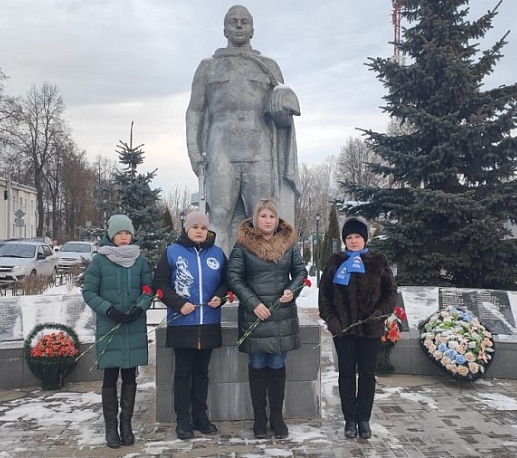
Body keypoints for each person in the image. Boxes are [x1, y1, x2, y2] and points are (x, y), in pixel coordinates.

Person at [186, 4, 301, 254]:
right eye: (233, 21)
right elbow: (195, 111)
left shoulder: (268, 66)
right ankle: (219, 282)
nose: (239, 25)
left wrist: (284, 110)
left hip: (260, 151)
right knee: (220, 217)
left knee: (262, 219)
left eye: (244, 22)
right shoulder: (209, 66)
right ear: (224, 29)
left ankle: (261, 281)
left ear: (252, 30)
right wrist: (194, 152)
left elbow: (282, 118)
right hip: (221, 148)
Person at [227, 198, 308, 439]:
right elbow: (234, 278)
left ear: (277, 219)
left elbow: (300, 272)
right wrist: (253, 304)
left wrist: (292, 290)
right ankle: (259, 419)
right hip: (256, 317)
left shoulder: (289, 244)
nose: (267, 220)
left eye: (271, 216)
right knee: (258, 366)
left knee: (277, 366)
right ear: (255, 218)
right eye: (263, 216)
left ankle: (277, 417)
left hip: (282, 316)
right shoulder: (243, 246)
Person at [317, 216, 397, 440]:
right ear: (344, 240)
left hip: (370, 330)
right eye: (349, 237)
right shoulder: (336, 261)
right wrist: (331, 319)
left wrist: (379, 313)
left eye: (358, 236)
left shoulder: (378, 261)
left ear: (365, 239)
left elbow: (391, 293)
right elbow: (324, 294)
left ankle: (364, 419)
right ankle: (349, 419)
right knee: (346, 375)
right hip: (343, 330)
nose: (353, 241)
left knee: (367, 375)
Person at [153, 211, 228, 441]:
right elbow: (160, 284)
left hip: (208, 322)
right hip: (182, 322)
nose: (199, 231)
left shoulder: (217, 253)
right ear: (186, 229)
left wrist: (220, 296)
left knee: (202, 373)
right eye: (194, 227)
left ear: (208, 231)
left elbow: (227, 281)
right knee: (183, 373)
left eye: (203, 228)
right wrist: (179, 304)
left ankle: (200, 417)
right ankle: (182, 420)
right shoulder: (172, 252)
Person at [82, 214, 153, 449]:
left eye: (127, 233)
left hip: (132, 326)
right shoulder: (100, 261)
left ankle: (126, 425)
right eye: (119, 233)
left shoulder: (140, 260)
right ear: (111, 236)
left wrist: (139, 308)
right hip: (109, 325)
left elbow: (148, 289)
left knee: (130, 375)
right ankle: (111, 427)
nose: (124, 237)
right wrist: (108, 310)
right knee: (110, 376)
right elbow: (89, 292)